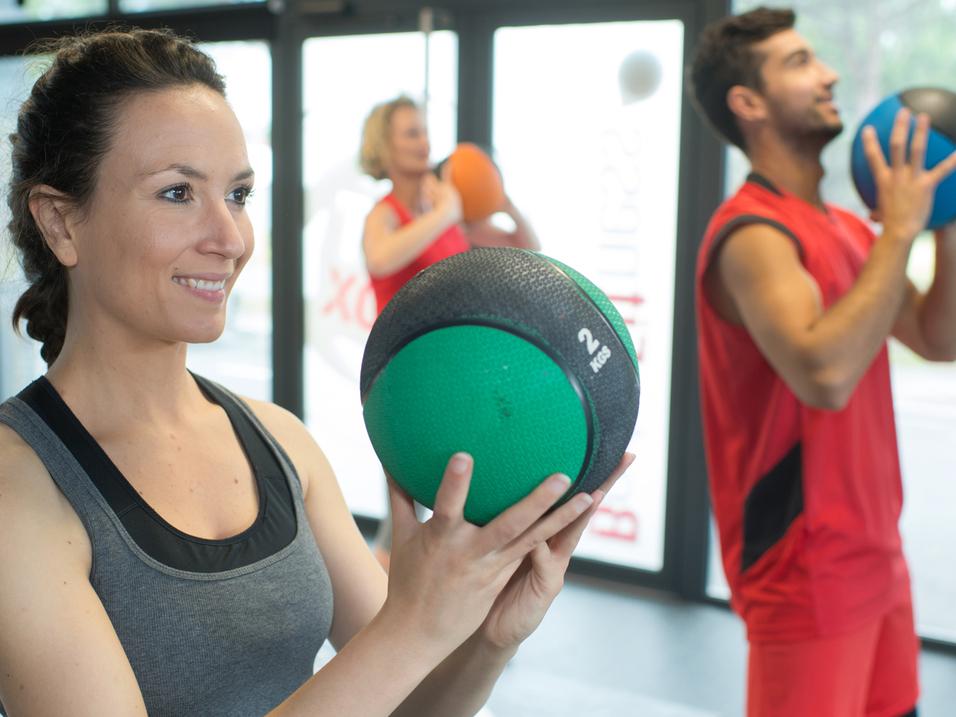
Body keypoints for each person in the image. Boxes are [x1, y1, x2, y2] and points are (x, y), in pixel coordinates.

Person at [0, 29, 632, 717]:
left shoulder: (278, 441)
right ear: (61, 222)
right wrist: (412, 625)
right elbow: (394, 648)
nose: (231, 238)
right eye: (178, 193)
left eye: (237, 194)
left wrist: (489, 638)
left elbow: (409, 707)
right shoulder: (19, 484)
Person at [688, 7, 956, 717]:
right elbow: (825, 375)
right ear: (748, 103)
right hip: (803, 572)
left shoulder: (844, 228)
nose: (829, 73)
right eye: (801, 62)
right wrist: (900, 229)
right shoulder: (752, 235)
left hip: (878, 556)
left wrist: (946, 218)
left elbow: (939, 337)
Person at [359, 96, 540, 567]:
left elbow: (529, 251)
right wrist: (445, 212)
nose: (424, 142)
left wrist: (503, 201)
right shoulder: (386, 214)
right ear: (386, 145)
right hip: (405, 375)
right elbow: (381, 259)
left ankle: (438, 614)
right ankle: (378, 611)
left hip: (455, 375)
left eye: (424, 131)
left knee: (453, 503)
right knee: (403, 508)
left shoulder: (445, 207)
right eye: (411, 133)